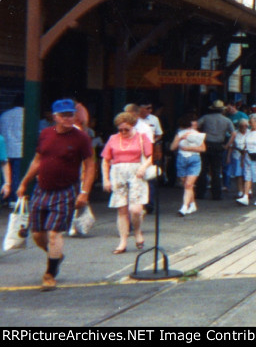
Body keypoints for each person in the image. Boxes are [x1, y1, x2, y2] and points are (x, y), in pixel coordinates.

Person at [16, 99, 95, 291]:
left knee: (54, 233)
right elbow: (37, 160)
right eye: (64, 115)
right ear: (54, 117)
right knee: (37, 234)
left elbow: (90, 165)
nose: (68, 118)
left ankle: (50, 274)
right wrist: (24, 182)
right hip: (42, 189)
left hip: (66, 190)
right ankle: (56, 256)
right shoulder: (45, 134)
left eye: (71, 114)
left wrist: (84, 192)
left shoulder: (81, 137)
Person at [100, 111, 154, 254]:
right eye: (120, 129)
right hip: (118, 173)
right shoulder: (113, 139)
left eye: (126, 129)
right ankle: (123, 241)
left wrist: (143, 167)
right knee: (122, 209)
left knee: (135, 209)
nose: (123, 132)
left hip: (136, 173)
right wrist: (105, 179)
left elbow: (150, 157)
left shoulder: (142, 138)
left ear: (133, 126)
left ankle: (137, 231)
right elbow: (105, 160)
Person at [196, 100, 235, 201]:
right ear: (222, 110)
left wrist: (199, 139)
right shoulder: (226, 120)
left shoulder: (205, 118)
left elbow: (195, 126)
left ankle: (200, 193)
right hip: (219, 146)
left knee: (203, 169)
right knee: (216, 171)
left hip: (206, 144)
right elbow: (233, 134)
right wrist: (227, 145)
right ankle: (216, 195)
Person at [169, 114, 205, 216]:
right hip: (181, 159)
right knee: (186, 185)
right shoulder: (180, 134)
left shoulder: (197, 134)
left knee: (188, 185)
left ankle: (184, 207)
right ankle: (192, 204)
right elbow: (172, 148)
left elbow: (203, 148)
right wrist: (180, 139)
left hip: (194, 159)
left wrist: (188, 148)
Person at [0, 99, 25, 206]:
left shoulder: (4, 115)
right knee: (16, 176)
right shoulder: (26, 115)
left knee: (5, 174)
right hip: (20, 149)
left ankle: (4, 198)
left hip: (6, 147)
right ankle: (14, 199)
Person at [226, 118, 249, 199]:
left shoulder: (250, 133)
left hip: (247, 156)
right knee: (238, 174)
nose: (243, 127)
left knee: (247, 174)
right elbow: (231, 146)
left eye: (245, 126)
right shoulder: (235, 133)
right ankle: (240, 191)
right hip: (236, 155)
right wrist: (228, 157)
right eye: (241, 126)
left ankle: (248, 190)